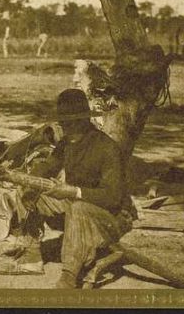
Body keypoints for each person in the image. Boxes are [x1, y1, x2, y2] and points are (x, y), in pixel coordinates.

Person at [7, 89, 135, 288]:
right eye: (64, 124)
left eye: (74, 123)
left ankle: (69, 274)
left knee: (77, 207)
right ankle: (32, 256)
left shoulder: (107, 148)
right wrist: (20, 177)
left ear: (86, 120)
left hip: (114, 216)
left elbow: (113, 197)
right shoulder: (67, 143)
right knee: (28, 192)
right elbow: (48, 166)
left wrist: (74, 192)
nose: (68, 128)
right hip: (79, 205)